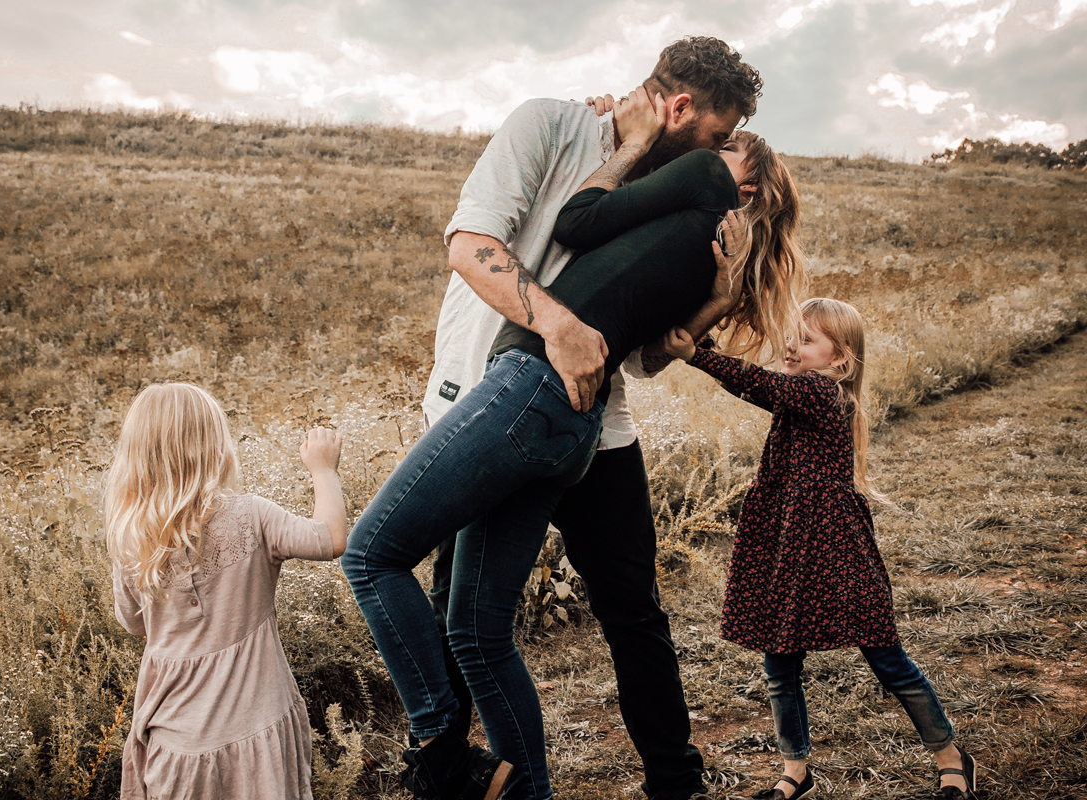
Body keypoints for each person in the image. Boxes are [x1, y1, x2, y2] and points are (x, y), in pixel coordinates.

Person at [341, 84, 807, 800]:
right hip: (495, 392)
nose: (716, 147)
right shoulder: (561, 131)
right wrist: (625, 148)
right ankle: (499, 785)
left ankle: (459, 763)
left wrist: (711, 293)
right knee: (467, 622)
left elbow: (640, 349)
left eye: (730, 143)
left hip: (557, 407)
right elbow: (474, 243)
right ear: (679, 105)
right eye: (721, 130)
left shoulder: (680, 189)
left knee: (620, 609)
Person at [664, 299, 978, 800]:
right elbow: (757, 385)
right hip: (790, 548)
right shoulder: (802, 392)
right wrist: (703, 344)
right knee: (780, 662)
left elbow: (762, 385)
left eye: (806, 339)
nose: (791, 344)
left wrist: (697, 356)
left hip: (836, 552)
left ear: (840, 362)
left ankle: (949, 755)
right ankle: (795, 771)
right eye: (792, 334)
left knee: (885, 656)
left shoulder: (821, 392)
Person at [105, 383, 348, 800]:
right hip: (257, 730)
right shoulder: (252, 515)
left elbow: (133, 624)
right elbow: (329, 539)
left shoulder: (130, 540)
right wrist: (323, 470)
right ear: (214, 448)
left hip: (176, 746)